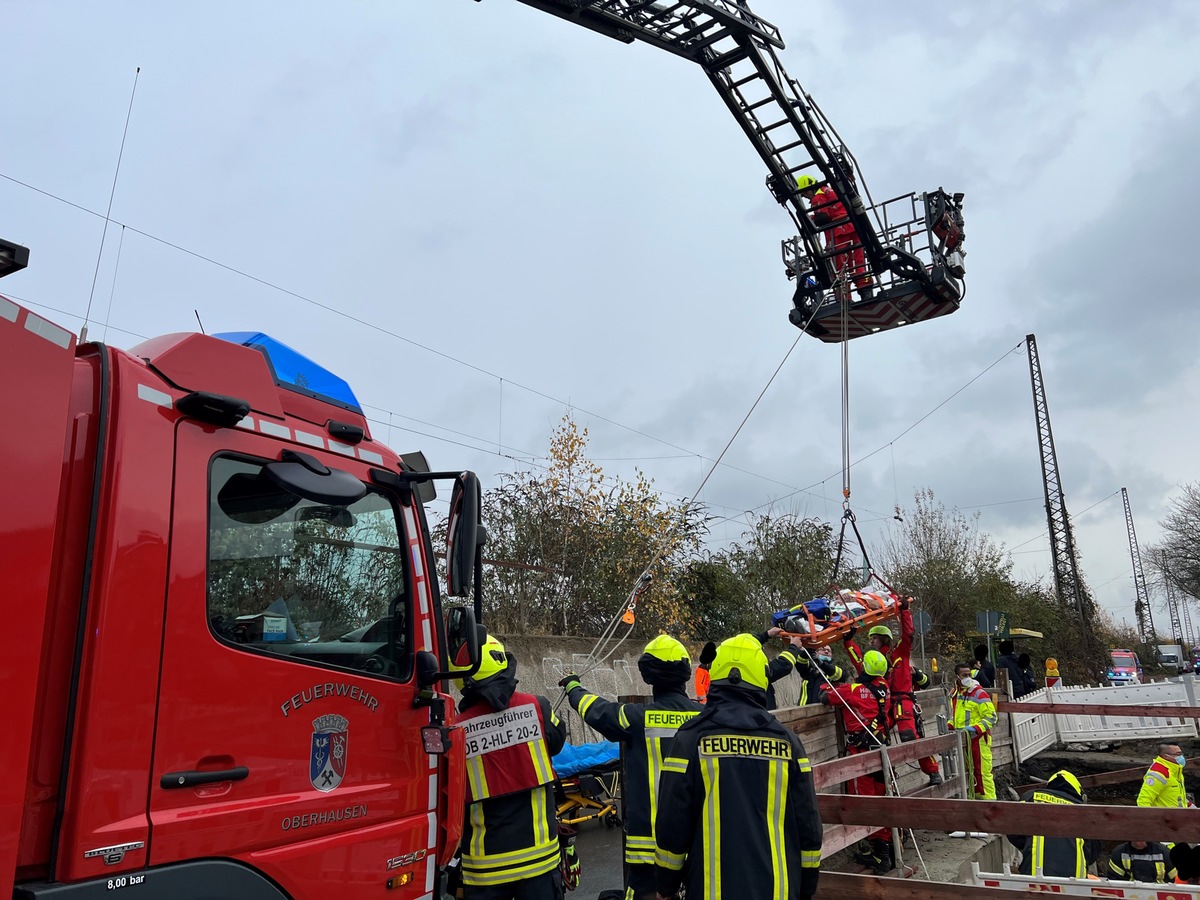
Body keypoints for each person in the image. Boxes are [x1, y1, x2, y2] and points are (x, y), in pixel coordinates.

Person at [653, 634, 823, 900]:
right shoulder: (788, 743)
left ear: (716, 675)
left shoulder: (690, 738)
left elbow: (672, 822)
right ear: (760, 677)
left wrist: (666, 885)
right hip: (777, 890)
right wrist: (808, 885)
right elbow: (809, 824)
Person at [559, 635, 702, 900]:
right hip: (697, 843)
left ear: (647, 676)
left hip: (647, 850)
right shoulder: (705, 719)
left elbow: (596, 710)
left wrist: (573, 687)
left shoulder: (635, 718)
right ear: (685, 674)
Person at [454, 636, 567, 899]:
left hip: (486, 870)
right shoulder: (538, 707)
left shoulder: (455, 729)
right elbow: (558, 741)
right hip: (540, 862)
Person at [845, 600, 942, 785]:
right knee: (875, 738)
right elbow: (858, 661)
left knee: (911, 737)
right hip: (885, 703)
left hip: (903, 700)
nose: (871, 642)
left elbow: (908, 634)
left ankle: (933, 772)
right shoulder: (872, 660)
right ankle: (888, 777)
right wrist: (848, 641)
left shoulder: (899, 652)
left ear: (882, 638)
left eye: (873, 638)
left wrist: (905, 611)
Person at [820, 648, 893, 873]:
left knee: (865, 801)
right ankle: (886, 847)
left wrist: (826, 681)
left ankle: (879, 855)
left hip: (861, 755)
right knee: (881, 798)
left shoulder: (854, 690)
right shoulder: (885, 689)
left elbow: (825, 697)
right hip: (881, 751)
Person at [1007, 770, 1100, 878]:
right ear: (1078, 790)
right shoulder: (1084, 811)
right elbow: (1093, 852)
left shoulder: (1031, 797)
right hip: (1075, 883)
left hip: (1034, 877)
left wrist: (1029, 843)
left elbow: (1013, 832)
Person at [795, 174, 872, 299]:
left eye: (804, 194)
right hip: (853, 227)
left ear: (809, 189)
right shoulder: (830, 190)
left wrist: (808, 220)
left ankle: (843, 299)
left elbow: (822, 218)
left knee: (839, 268)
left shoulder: (818, 197)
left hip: (838, 233)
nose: (806, 198)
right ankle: (866, 292)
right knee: (858, 262)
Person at [951, 661, 996, 801]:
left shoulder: (979, 694)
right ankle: (974, 803)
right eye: (964, 675)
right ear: (957, 677)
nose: (968, 677)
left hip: (978, 740)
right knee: (969, 774)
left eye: (969, 674)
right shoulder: (955, 695)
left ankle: (991, 805)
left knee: (982, 774)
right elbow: (954, 715)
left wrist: (974, 729)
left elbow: (991, 718)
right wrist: (950, 726)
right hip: (963, 740)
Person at [1138, 743, 1188, 808]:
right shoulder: (1159, 773)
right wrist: (1150, 817)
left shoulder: (1176, 770)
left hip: (1177, 816)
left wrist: (1190, 806)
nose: (1181, 756)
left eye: (1181, 753)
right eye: (1178, 754)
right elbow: (1143, 800)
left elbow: (1175, 796)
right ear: (1166, 756)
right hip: (1164, 817)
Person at [1107, 840, 1176, 883]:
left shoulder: (1164, 853)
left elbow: (1176, 881)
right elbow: (1114, 882)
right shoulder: (1119, 853)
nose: (1138, 842)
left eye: (1141, 838)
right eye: (1135, 838)